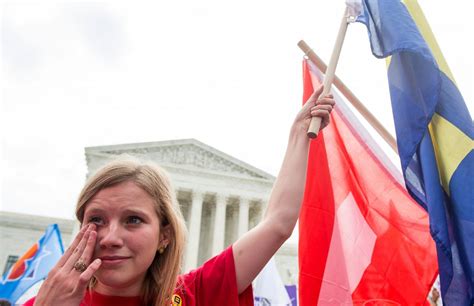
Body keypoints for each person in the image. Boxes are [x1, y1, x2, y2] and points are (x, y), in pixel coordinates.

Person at [24, 85, 335, 306]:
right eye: (96, 220)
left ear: (165, 235)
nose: (110, 237)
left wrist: (299, 136)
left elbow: (278, 223)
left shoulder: (193, 295)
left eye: (133, 220)